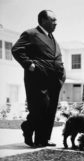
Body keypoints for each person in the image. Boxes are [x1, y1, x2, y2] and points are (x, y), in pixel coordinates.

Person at [12, 10, 66, 147]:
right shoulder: (31, 34)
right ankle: (30, 129)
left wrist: (62, 74)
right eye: (53, 20)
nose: (56, 23)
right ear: (42, 20)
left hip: (54, 80)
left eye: (56, 20)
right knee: (39, 108)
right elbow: (16, 49)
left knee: (50, 110)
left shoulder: (53, 39)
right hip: (38, 79)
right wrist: (29, 64)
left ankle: (43, 139)